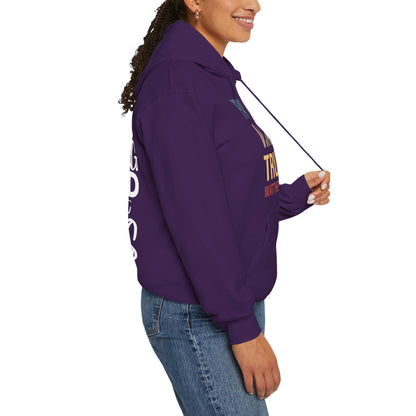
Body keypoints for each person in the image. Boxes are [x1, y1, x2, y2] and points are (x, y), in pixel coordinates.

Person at [119, 0, 331, 414]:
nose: (254, 5)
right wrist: (241, 327)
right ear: (194, 1)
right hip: (197, 311)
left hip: (224, 300)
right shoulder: (176, 83)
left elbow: (225, 194)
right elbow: (196, 219)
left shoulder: (206, 75)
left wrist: (295, 195)